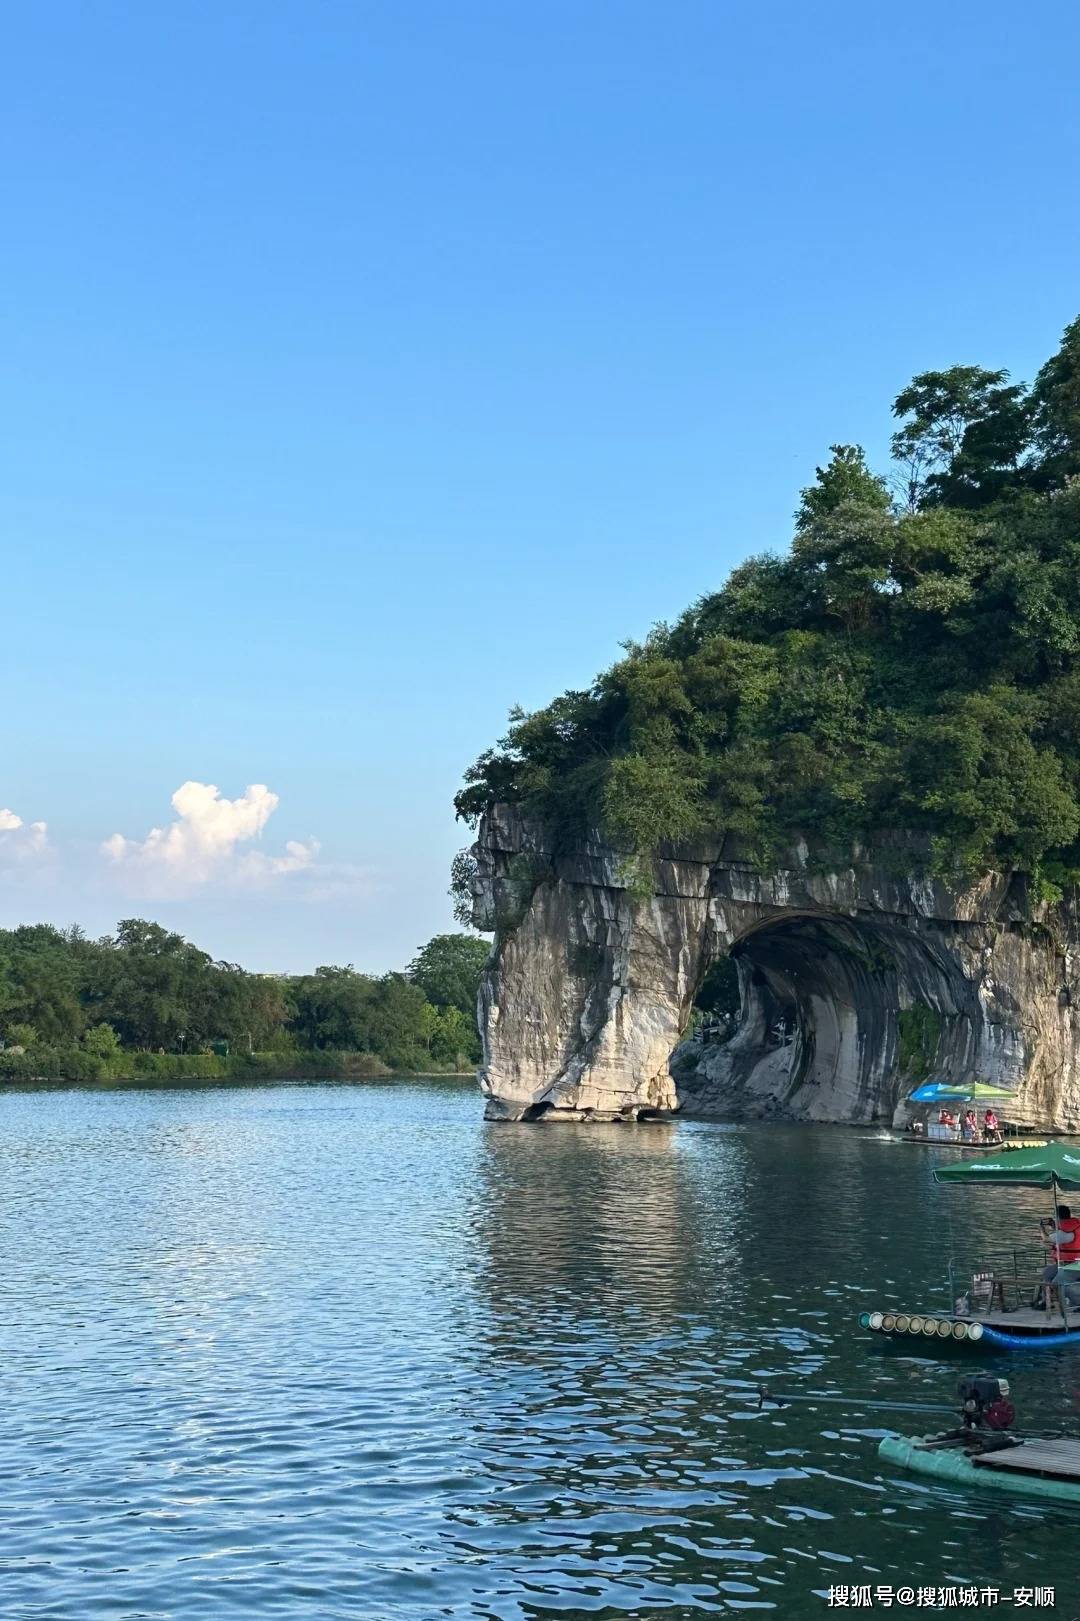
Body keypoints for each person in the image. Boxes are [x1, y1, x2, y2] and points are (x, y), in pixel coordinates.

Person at [1033, 1204, 1080, 1309]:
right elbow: (1060, 1235)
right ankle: (1047, 1301)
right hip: (1066, 1262)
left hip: (1076, 1264)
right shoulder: (1071, 1227)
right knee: (1047, 1274)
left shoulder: (1067, 1232)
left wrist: (1041, 1228)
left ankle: (1077, 1303)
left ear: (1058, 1217)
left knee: (1057, 1282)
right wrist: (1053, 1226)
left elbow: (1046, 1239)